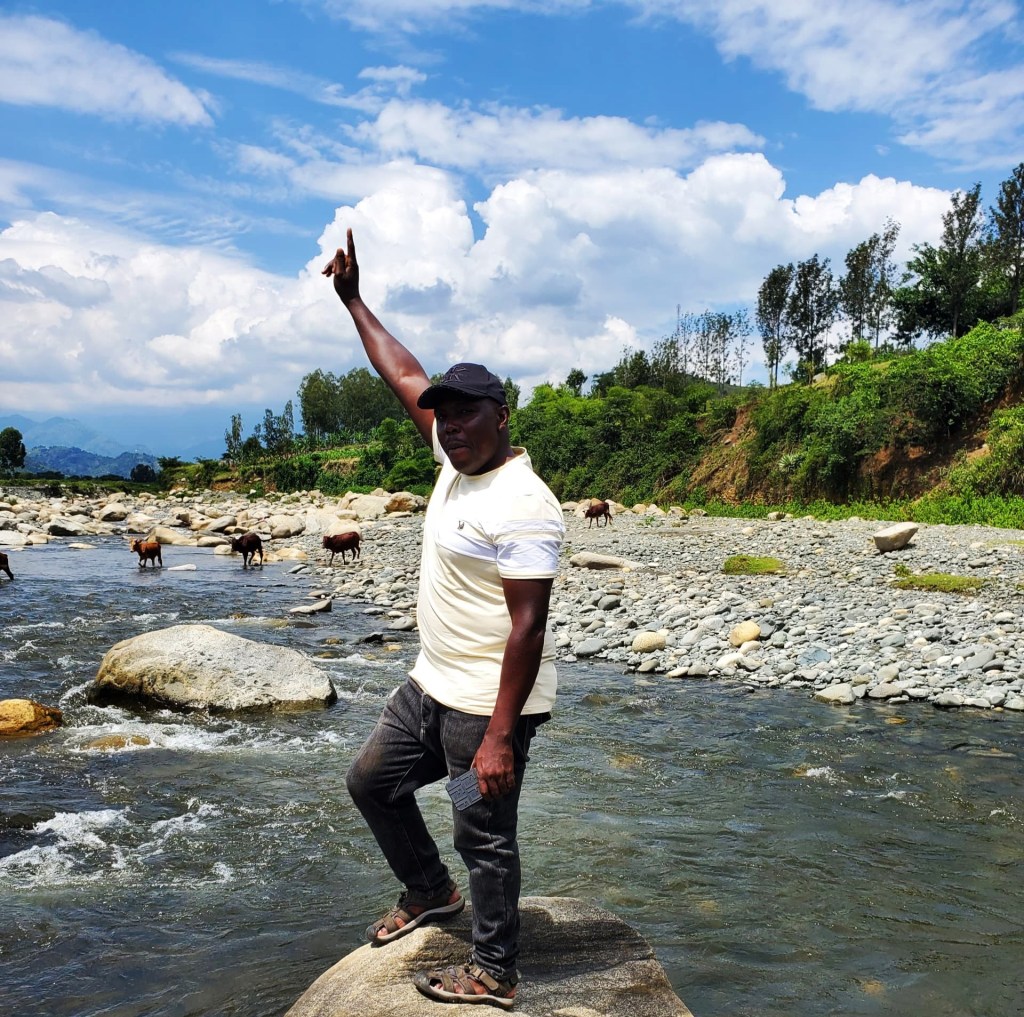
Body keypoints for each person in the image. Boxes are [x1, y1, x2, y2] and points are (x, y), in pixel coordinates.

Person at [323, 229, 565, 1010]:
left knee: (482, 831)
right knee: (372, 783)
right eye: (443, 417)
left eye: (466, 415)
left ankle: (494, 970)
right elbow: (402, 370)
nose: (449, 425)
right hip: (430, 684)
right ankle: (428, 890)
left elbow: (527, 627)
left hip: (483, 706)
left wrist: (499, 735)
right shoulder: (454, 462)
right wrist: (354, 300)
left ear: (500, 415)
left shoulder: (523, 501)